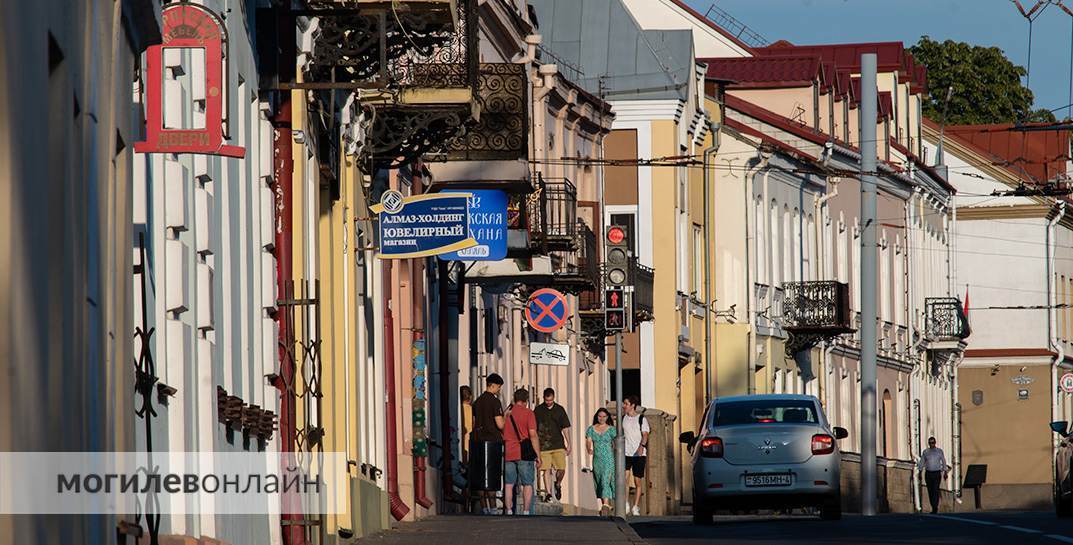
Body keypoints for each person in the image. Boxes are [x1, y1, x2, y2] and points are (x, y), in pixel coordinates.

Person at [471, 374, 506, 515]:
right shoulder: (495, 402)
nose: (498, 390)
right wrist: (506, 417)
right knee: (492, 474)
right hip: (493, 441)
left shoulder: (477, 402)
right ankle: (493, 507)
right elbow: (500, 423)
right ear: (494, 385)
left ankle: (484, 506)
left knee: (480, 474)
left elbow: (474, 422)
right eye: (498, 387)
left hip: (478, 440)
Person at [503, 388, 541, 515]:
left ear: (514, 398)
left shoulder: (507, 413)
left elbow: (501, 429)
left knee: (509, 483)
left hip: (508, 451)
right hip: (524, 452)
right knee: (527, 483)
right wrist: (538, 455)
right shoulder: (529, 413)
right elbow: (533, 434)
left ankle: (508, 510)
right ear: (526, 400)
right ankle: (525, 511)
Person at [534, 387, 571, 502]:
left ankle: (558, 484)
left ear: (554, 398)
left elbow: (565, 427)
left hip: (558, 444)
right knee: (546, 470)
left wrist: (569, 443)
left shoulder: (559, 410)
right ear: (544, 398)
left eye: (550, 400)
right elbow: (534, 429)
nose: (548, 402)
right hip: (543, 445)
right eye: (546, 400)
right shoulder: (538, 410)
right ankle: (549, 493)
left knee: (561, 468)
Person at [621, 395, 650, 516]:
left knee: (637, 481)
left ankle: (636, 506)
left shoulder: (641, 419)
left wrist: (641, 447)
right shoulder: (623, 418)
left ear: (632, 405)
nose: (624, 406)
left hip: (639, 454)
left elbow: (645, 434)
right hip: (626, 452)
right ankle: (626, 504)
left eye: (626, 404)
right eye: (624, 404)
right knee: (625, 479)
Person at [586, 407, 617, 516]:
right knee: (599, 481)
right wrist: (589, 448)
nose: (602, 418)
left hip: (608, 458)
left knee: (605, 480)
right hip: (597, 459)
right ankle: (606, 504)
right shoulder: (591, 429)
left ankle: (606, 504)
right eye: (600, 416)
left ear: (607, 417)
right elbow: (588, 440)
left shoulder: (612, 429)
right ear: (596, 417)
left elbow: (616, 442)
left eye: (604, 416)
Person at [918, 436, 949, 514]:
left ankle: (935, 507)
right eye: (930, 443)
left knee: (935, 489)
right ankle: (933, 505)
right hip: (928, 473)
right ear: (928, 443)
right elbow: (922, 462)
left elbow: (943, 461)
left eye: (933, 443)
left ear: (935, 443)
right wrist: (920, 472)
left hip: (936, 473)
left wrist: (945, 471)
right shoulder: (925, 452)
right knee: (930, 490)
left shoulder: (939, 451)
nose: (932, 444)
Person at [460, 385, 473, 465]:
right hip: (470, 443)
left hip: (460, 442)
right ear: (470, 397)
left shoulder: (457, 410)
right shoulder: (472, 410)